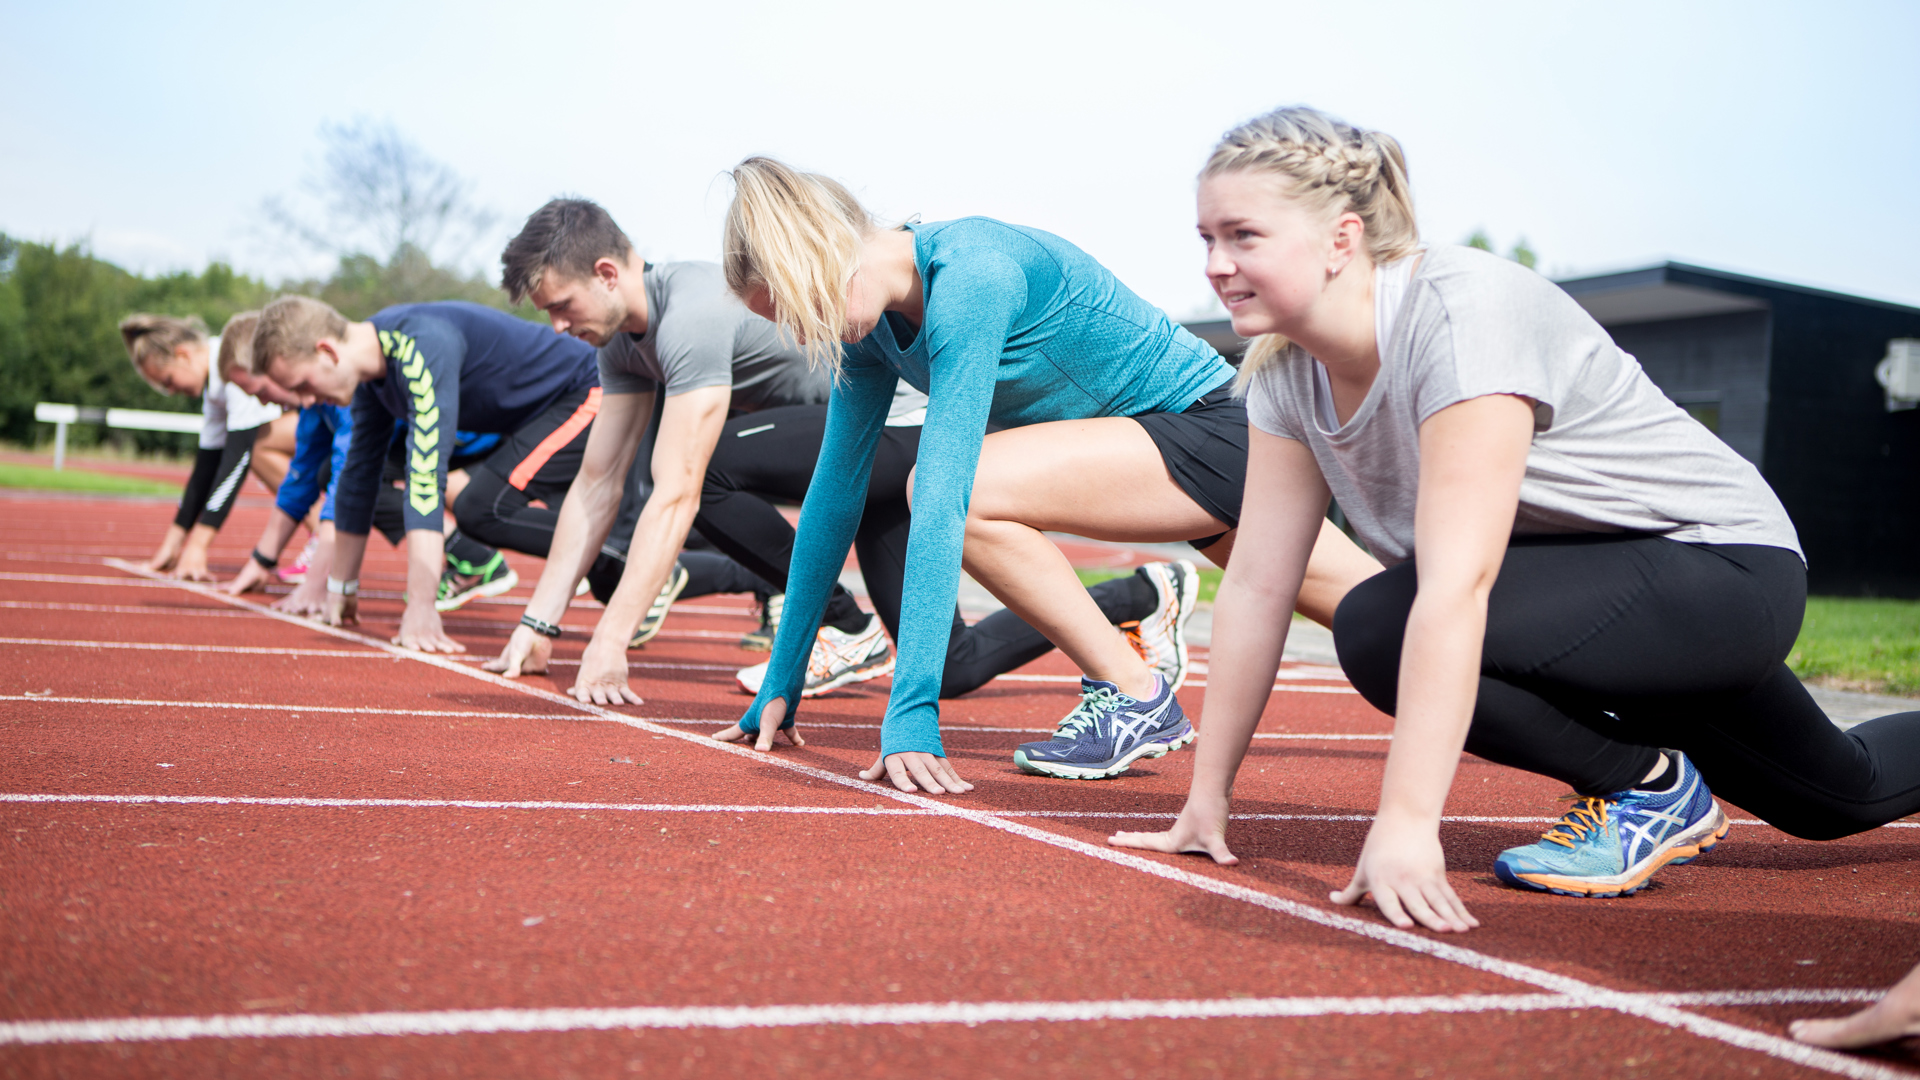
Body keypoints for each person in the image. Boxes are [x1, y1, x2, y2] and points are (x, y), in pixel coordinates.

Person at [1112, 106, 1920, 933]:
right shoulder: (1284, 373)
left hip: (1715, 573)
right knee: (1838, 797)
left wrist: (1406, 824)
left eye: (1243, 235)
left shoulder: (1460, 314)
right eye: (1206, 238)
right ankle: (1654, 779)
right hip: (1586, 602)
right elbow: (1255, 581)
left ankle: (1645, 786)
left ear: (1342, 239)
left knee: (1380, 623)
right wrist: (1206, 802)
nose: (1216, 264)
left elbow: (1459, 586)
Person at [712, 157, 1381, 793]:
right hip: (1156, 461)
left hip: (1213, 434)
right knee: (1396, 628)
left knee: (959, 493)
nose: (802, 337)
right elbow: (833, 496)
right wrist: (783, 679)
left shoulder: (971, 273)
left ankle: (1133, 692)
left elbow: (946, 497)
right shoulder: (874, 332)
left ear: (819, 257)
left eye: (795, 312)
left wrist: (912, 710)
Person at [251, 295, 627, 651]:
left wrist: (420, 607)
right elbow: (358, 476)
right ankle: (632, 558)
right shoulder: (372, 376)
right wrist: (341, 589)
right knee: (465, 504)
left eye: (303, 385)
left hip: (588, 390)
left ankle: (629, 559)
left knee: (481, 508)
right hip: (527, 419)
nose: (306, 402)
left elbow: (425, 478)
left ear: (327, 352)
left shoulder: (420, 346)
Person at [120, 312, 301, 580]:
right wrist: (173, 544)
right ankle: (319, 533)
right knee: (256, 447)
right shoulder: (214, 389)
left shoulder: (233, 367)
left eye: (168, 380)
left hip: (336, 423)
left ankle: (322, 534)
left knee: (259, 445)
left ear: (183, 355)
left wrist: (198, 546)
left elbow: (236, 462)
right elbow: (205, 470)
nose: (170, 391)